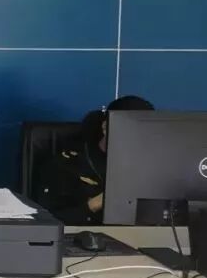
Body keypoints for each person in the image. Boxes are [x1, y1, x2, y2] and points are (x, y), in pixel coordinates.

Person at [39, 95, 154, 225]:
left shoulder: (151, 167)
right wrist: (95, 204)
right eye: (131, 130)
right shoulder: (68, 164)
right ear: (105, 127)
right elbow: (46, 221)